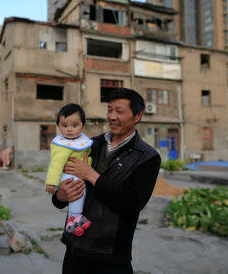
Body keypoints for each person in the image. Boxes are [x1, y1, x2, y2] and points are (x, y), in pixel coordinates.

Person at [52, 88, 161, 273]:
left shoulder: (147, 157)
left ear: (138, 115)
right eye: (110, 110)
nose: (112, 116)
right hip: (74, 250)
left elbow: (131, 205)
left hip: (110, 256)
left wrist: (91, 175)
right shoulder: (88, 145)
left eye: (119, 111)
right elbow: (62, 192)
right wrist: (60, 196)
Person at [45, 103, 93, 236]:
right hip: (68, 176)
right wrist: (51, 182)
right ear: (58, 125)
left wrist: (88, 167)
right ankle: (72, 222)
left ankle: (76, 219)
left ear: (83, 125)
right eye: (64, 126)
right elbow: (55, 165)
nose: (69, 129)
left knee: (81, 195)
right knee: (77, 194)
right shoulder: (61, 145)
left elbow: (86, 156)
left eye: (74, 125)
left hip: (79, 174)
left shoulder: (83, 140)